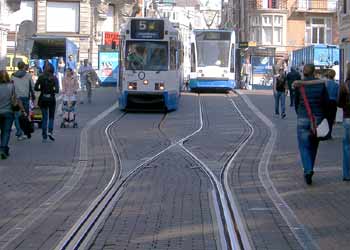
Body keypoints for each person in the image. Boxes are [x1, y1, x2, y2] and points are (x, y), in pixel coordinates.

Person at [293, 64, 330, 185]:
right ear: (314, 72)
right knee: (314, 145)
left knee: (304, 146)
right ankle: (310, 168)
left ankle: (308, 169)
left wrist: (299, 113)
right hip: (318, 118)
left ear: (304, 73)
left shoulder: (300, 85)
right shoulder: (320, 84)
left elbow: (296, 101)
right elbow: (326, 102)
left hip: (303, 118)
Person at [0, 70, 23, 159]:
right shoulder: (11, 86)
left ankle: (4, 149)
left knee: (2, 131)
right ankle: (3, 149)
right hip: (8, 112)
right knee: (6, 131)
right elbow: (15, 99)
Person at [34, 63, 59, 142]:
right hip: (51, 98)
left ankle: (44, 136)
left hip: (43, 98)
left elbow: (35, 87)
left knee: (44, 117)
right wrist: (52, 91)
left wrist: (41, 90)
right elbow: (57, 90)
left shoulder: (41, 77)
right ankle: (50, 131)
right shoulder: (54, 78)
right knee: (51, 116)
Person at [11, 61, 35, 140]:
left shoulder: (13, 76)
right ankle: (25, 133)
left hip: (16, 97)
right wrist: (33, 95)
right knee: (25, 115)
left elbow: (11, 87)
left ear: (18, 67)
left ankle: (19, 132)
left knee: (17, 116)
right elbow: (32, 86)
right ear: (23, 67)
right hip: (25, 97)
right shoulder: (28, 75)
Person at [337, 63, 350, 181]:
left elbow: (339, 103)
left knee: (347, 147)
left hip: (348, 118)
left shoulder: (344, 86)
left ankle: (347, 174)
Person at [325, 69, 339, 139]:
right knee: (331, 119)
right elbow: (338, 95)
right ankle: (329, 134)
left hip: (326, 102)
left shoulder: (325, 83)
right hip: (333, 103)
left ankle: (324, 133)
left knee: (325, 118)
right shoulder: (336, 85)